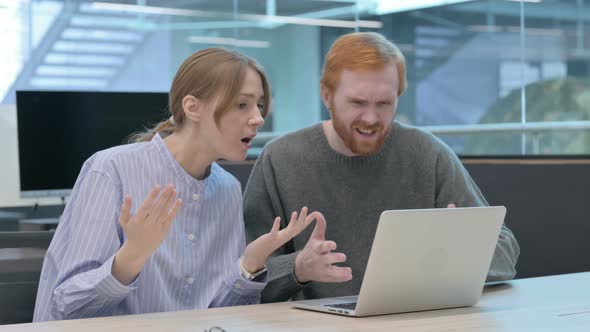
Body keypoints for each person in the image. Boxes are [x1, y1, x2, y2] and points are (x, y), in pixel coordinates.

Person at [33, 48, 322, 321]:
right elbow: (65, 306)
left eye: (259, 105)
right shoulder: (111, 170)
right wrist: (130, 258)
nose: (258, 118)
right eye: (242, 104)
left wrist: (249, 266)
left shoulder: (229, 189)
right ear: (193, 108)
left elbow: (218, 316)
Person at [243, 32, 520, 303]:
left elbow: (506, 251)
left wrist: (464, 252)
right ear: (327, 96)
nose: (371, 118)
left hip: (416, 321)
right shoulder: (281, 159)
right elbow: (243, 275)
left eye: (385, 103)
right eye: (357, 103)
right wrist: (298, 268)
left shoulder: (428, 154)